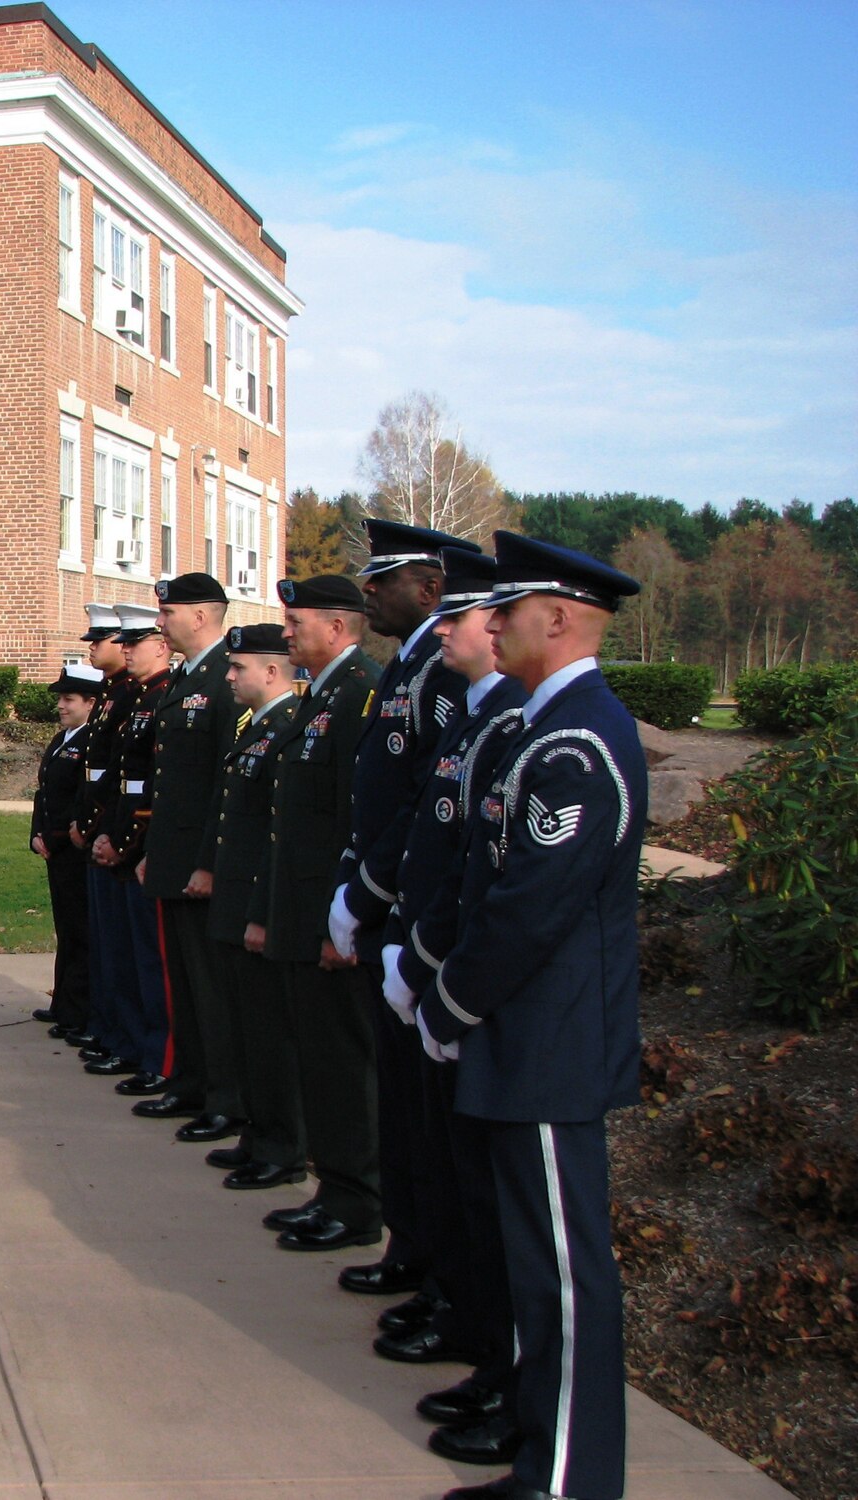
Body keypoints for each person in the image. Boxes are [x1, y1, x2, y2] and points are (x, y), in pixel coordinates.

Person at [416, 532, 646, 1500]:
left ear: (555, 618)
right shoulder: (546, 728)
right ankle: (542, 1461)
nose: (488, 621)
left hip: (546, 1044)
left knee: (562, 1277)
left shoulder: (577, 738)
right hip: (520, 1040)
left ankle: (564, 1481)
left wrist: (448, 998)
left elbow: (529, 908)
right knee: (532, 1272)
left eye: (506, 608)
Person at [375, 548, 530, 1466]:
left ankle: (488, 1348)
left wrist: (429, 965)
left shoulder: (517, 724)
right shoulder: (476, 717)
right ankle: (465, 1323)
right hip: (424, 954)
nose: (451, 634)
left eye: (467, 619)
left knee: (482, 1188)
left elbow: (503, 884)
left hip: (466, 987)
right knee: (440, 1155)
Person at [327, 519, 476, 1301]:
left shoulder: (443, 674)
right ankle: (409, 1251)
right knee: (402, 1103)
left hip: (411, 910)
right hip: (388, 903)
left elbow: (428, 799)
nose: (370, 593)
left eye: (382, 581)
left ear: (430, 587)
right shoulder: (407, 669)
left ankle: (432, 1270)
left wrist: (371, 890)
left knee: (422, 1110)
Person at [248, 574, 383, 1249]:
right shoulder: (323, 694)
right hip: (303, 911)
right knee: (320, 1062)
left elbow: (354, 819)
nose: (288, 631)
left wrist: (344, 920)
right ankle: (334, 1191)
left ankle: (357, 1205)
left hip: (330, 918)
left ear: (336, 629)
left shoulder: (360, 694)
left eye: (297, 621)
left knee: (341, 1065)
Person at [134, 573, 243, 1139]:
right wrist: (156, 851)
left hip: (204, 864)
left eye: (168, 612)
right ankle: (190, 1083)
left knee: (211, 987)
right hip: (174, 858)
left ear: (200, 616)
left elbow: (227, 783)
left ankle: (225, 1096)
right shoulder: (187, 677)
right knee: (184, 981)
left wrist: (207, 861)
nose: (160, 622)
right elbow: (169, 782)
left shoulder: (229, 676)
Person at [202, 624, 308, 1189]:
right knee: (247, 1027)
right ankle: (258, 1134)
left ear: (271, 672)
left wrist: (262, 911)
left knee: (270, 1034)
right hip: (237, 897)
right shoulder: (258, 727)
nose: (230, 675)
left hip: (256, 900)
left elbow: (277, 832)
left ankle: (282, 1147)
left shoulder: (287, 725)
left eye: (239, 667)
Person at [90, 605, 175, 1088]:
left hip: (136, 841)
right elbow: (117, 778)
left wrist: (126, 842)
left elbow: (152, 784)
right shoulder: (135, 697)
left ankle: (151, 1053)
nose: (124, 649)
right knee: (120, 952)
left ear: (160, 646)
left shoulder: (161, 697)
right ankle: (124, 1039)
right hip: (118, 834)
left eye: (134, 642)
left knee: (147, 960)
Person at [70, 604, 138, 1064]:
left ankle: (127, 1038)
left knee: (129, 953)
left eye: (104, 640)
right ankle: (109, 1026)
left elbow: (129, 776)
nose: (94, 647)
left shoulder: (135, 693)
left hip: (122, 834)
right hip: (101, 828)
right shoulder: (114, 691)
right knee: (108, 945)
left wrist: (109, 830)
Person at [30, 664, 108, 1041]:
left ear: (91, 702)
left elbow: (83, 801)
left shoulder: (92, 741)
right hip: (55, 849)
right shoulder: (64, 738)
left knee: (81, 930)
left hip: (74, 850)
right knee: (66, 929)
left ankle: (78, 1011)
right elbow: (44, 794)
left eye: (68, 699)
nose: (61, 706)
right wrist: (36, 834)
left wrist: (57, 836)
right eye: (60, 699)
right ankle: (63, 1001)